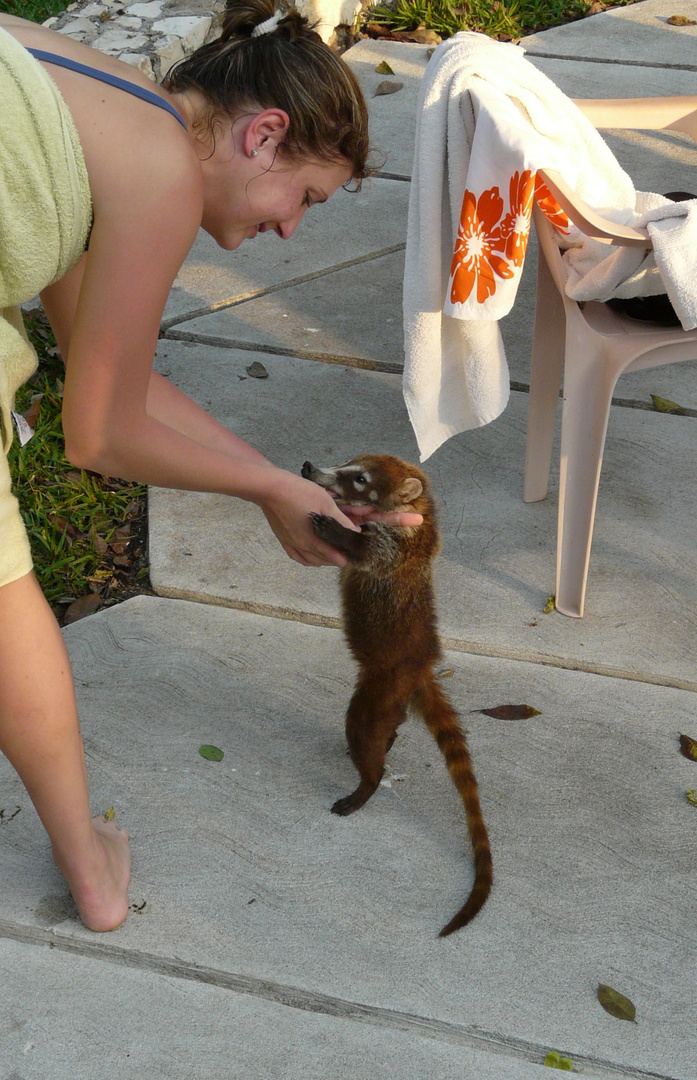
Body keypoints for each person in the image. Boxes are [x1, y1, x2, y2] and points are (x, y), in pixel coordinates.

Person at [0, 1, 421, 932]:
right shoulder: (160, 172)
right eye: (303, 198)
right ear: (264, 135)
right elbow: (98, 437)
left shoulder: (102, 114)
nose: (288, 233)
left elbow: (120, 381)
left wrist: (278, 479)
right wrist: (268, 489)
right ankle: (95, 874)